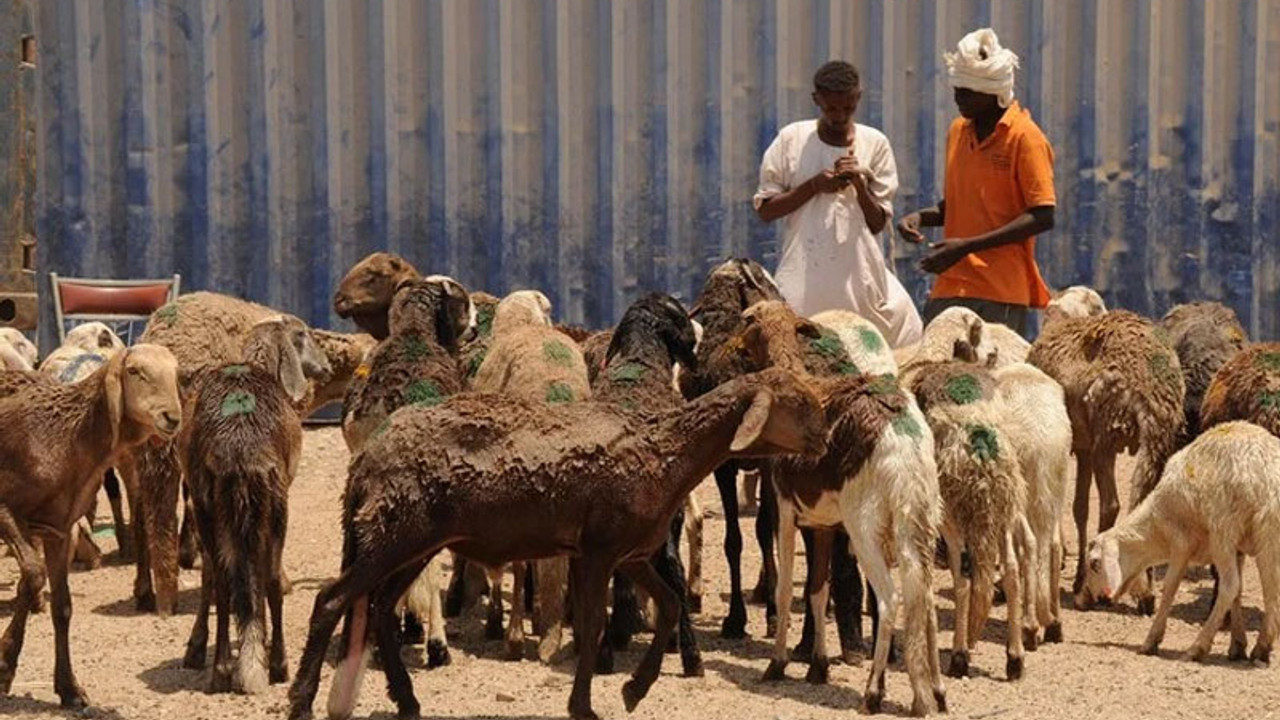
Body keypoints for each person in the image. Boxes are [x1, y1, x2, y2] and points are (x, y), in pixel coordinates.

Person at [898, 28, 1056, 336]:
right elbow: (963, 203)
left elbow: (1043, 215)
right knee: (933, 378)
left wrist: (966, 247)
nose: (958, 97)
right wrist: (920, 217)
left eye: (967, 91)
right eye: (957, 87)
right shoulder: (958, 131)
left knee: (996, 382)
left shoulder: (1025, 138)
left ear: (993, 92)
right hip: (950, 288)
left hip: (999, 292)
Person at [753, 60, 922, 348]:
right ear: (816, 100)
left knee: (887, 348)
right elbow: (766, 210)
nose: (840, 116)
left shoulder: (875, 143)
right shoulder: (791, 140)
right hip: (803, 283)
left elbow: (878, 223)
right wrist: (814, 186)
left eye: (848, 108)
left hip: (861, 287)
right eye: (831, 108)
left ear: (858, 98)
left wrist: (858, 184)